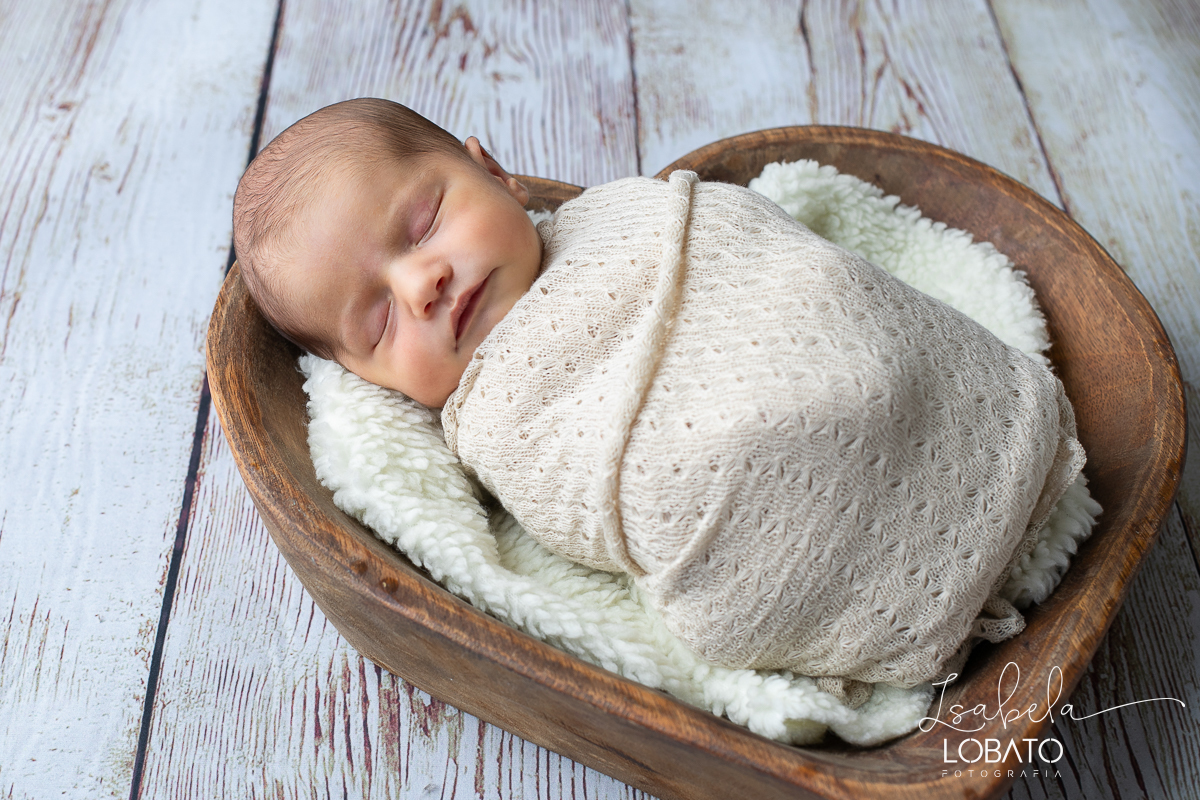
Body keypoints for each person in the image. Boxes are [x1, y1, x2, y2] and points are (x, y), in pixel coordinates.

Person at [234, 98, 1085, 696]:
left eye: (422, 225)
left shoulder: (626, 213)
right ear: (371, 382)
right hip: (751, 504)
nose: (421, 283)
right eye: (380, 320)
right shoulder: (489, 424)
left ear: (493, 170)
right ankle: (900, 591)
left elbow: (793, 268)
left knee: (830, 302)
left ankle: (986, 428)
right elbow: (588, 518)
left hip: (854, 342)